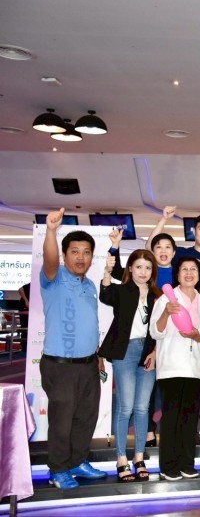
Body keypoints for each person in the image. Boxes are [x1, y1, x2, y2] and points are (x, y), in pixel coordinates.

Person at [39, 208, 107, 489]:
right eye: (75, 252)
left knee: (85, 417)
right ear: (65, 255)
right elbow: (49, 260)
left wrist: (97, 354)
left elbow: (88, 322)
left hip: (88, 364)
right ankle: (58, 470)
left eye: (86, 252)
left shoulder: (89, 285)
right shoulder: (53, 278)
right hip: (60, 365)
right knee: (61, 421)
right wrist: (51, 231)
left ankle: (78, 461)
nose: (81, 257)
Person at [98, 239, 160, 483]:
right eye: (138, 267)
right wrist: (107, 269)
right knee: (125, 408)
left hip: (149, 353)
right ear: (130, 269)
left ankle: (139, 457)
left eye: (148, 267)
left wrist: (155, 351)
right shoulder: (122, 290)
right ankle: (121, 458)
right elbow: (105, 295)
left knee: (142, 408)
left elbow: (161, 328)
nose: (143, 272)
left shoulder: (158, 296)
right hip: (125, 352)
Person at [149, 256, 200, 481]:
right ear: (177, 274)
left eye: (193, 269)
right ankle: (168, 466)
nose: (189, 273)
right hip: (172, 366)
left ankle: (187, 463)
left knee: (190, 417)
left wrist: (197, 336)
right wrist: (166, 312)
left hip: (196, 367)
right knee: (171, 417)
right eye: (184, 269)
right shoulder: (166, 300)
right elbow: (155, 332)